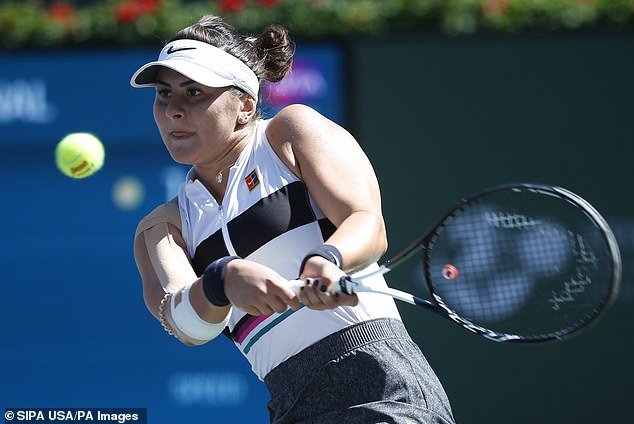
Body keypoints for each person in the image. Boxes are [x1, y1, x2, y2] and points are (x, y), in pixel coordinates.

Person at [131, 14, 455, 424]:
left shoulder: (289, 132)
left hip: (381, 384)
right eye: (163, 94)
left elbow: (366, 220)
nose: (173, 110)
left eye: (193, 92)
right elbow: (185, 325)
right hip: (289, 404)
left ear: (245, 106)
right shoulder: (162, 227)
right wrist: (220, 281)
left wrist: (329, 258)